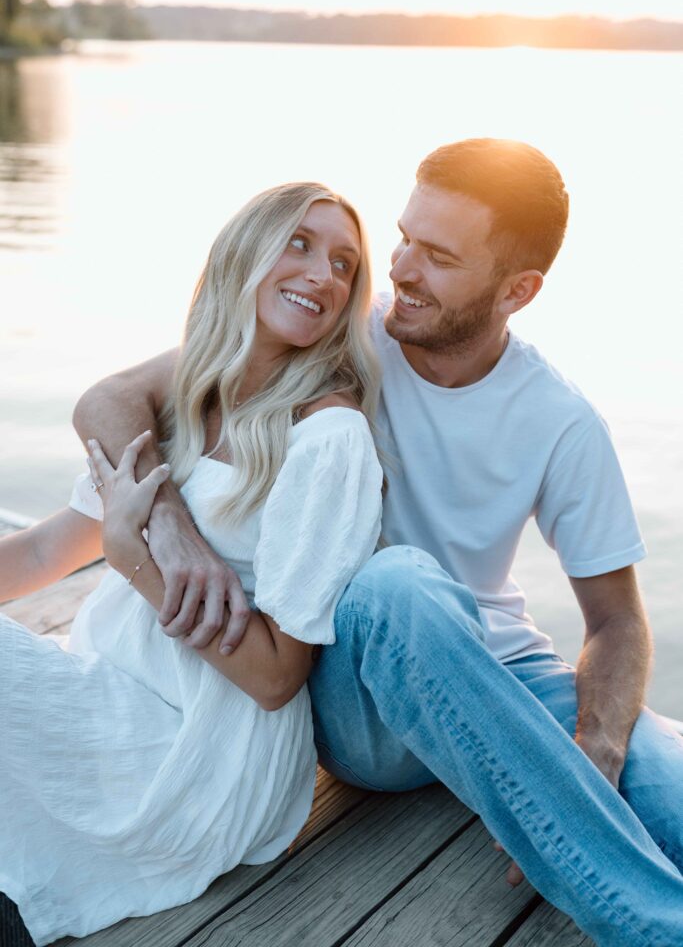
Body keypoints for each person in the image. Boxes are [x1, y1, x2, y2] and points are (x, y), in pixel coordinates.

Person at [72, 139, 683, 946]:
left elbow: (615, 620)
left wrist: (597, 746)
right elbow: (112, 400)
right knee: (396, 583)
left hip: (497, 668)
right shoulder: (331, 337)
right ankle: (651, 928)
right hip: (351, 691)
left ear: (518, 290)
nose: (398, 269)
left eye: (436, 257)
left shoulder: (559, 419)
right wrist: (172, 530)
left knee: (666, 786)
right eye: (402, 238)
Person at [0, 182, 385, 946]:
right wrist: (133, 538)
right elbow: (49, 549)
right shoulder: (181, 401)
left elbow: (278, 677)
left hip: (204, 751)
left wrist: (133, 562)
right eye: (298, 244)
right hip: (108, 690)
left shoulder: (326, 439)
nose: (322, 275)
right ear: (240, 253)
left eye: (344, 264)